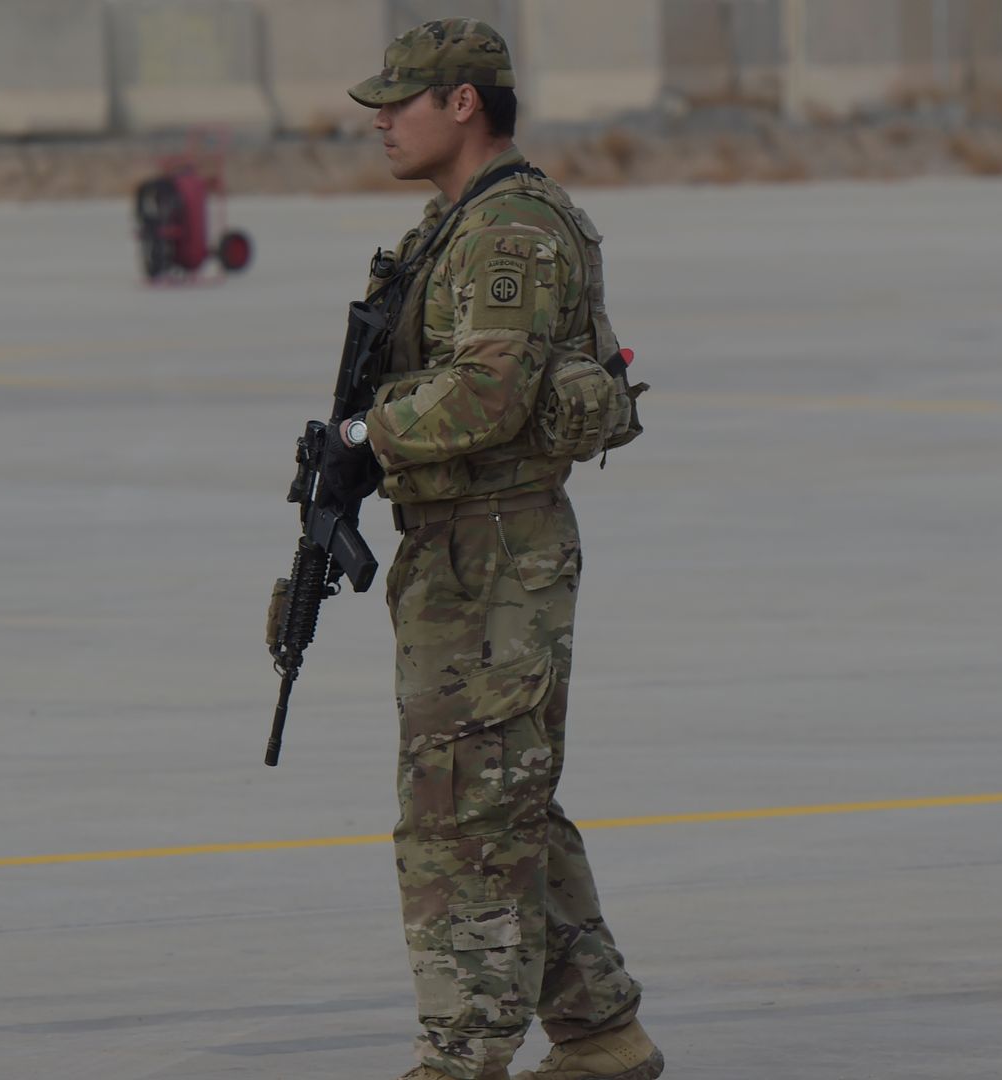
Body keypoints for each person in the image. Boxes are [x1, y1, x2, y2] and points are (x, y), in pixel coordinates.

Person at [325, 18, 662, 1080]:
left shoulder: (505, 231)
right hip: (466, 549)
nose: (382, 119)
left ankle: (462, 1051)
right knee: (504, 791)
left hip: (494, 551)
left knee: (458, 812)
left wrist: (362, 434)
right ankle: (600, 1030)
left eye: (402, 100)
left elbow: (487, 395)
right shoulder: (454, 223)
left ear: (464, 103)